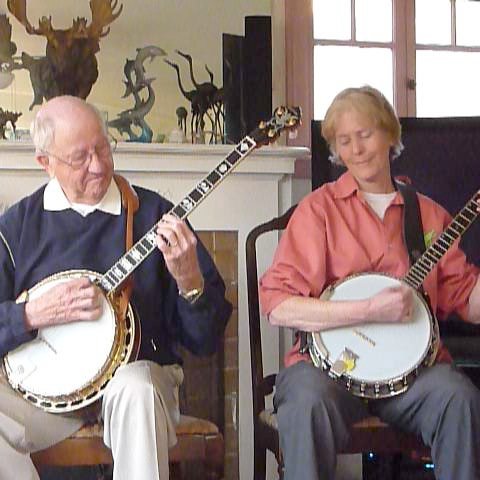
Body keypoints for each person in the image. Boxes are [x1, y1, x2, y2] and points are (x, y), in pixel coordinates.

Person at [0, 95, 232, 480]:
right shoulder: (16, 228)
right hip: (44, 403)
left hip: (137, 385)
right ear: (46, 164)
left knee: (135, 388)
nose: (98, 165)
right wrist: (28, 314)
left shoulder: (155, 214)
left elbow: (205, 341)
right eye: (79, 157)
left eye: (103, 148)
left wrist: (190, 281)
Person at [259, 85, 480, 480]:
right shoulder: (318, 211)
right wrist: (366, 310)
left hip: (412, 378)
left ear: (390, 136)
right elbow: (279, 304)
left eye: (365, 135)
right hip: (327, 371)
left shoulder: (427, 214)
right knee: (305, 401)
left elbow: (467, 300)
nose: (357, 149)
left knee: (458, 398)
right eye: (345, 141)